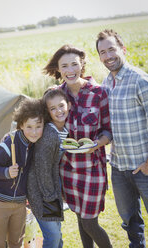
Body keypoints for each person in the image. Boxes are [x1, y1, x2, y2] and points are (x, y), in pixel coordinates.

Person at [43, 44, 113, 248]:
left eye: (74, 64)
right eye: (64, 66)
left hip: (92, 168)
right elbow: (45, 128)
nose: (70, 70)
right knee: (80, 219)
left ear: (82, 64)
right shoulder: (55, 95)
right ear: (58, 69)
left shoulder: (99, 93)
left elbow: (108, 130)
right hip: (67, 169)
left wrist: (97, 144)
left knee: (90, 222)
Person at [96, 29, 148, 248]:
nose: (108, 56)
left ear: (122, 49)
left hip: (144, 166)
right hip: (118, 168)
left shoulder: (140, 80)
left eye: (111, 49)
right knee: (130, 222)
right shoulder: (105, 84)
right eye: (103, 52)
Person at [0, 97, 44, 248]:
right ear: (21, 125)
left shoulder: (35, 146)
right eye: (29, 127)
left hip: (19, 203)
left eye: (38, 126)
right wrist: (6, 172)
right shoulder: (8, 144)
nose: (34, 132)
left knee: (16, 242)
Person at [27, 88, 70, 248]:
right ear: (48, 112)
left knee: (57, 235)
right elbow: (42, 169)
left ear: (69, 105)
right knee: (52, 235)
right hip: (41, 191)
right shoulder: (49, 135)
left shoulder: (63, 130)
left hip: (52, 188)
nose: (59, 111)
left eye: (61, 106)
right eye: (53, 108)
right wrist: (50, 197)